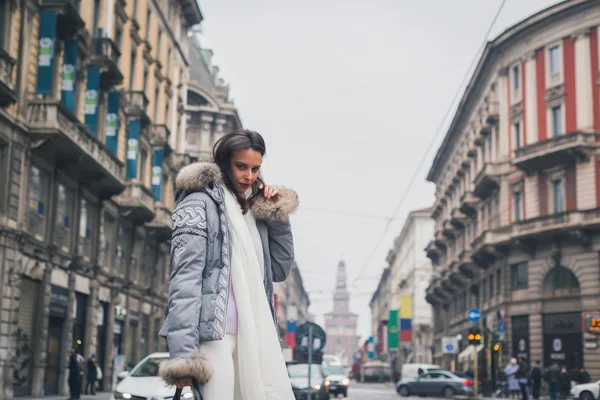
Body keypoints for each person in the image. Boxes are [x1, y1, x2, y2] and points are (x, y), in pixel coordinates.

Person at [158, 130, 299, 400]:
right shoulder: (197, 203)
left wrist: (276, 212)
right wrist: (184, 355)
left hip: (255, 333)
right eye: (241, 166)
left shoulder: (255, 211)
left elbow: (279, 270)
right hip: (214, 336)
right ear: (224, 162)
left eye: (255, 168)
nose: (249, 176)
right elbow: (185, 280)